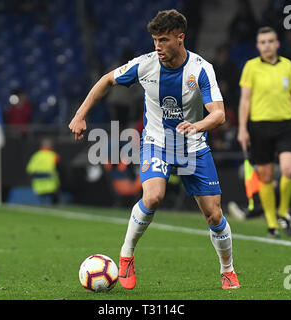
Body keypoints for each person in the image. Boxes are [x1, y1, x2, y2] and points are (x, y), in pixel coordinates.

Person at [69, 9, 240, 290]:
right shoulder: (145, 64)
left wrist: (197, 126)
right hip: (156, 143)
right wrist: (80, 115)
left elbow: (219, 114)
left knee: (214, 215)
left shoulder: (200, 69)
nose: (157, 46)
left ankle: (227, 270)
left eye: (163, 40)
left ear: (180, 37)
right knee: (154, 196)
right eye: (154, 40)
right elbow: (107, 80)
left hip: (193, 146)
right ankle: (126, 255)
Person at [237, 26, 291, 238]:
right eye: (263, 42)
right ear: (258, 46)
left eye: (270, 41)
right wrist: (242, 129)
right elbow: (245, 100)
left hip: (285, 125)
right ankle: (271, 223)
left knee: (290, 170)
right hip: (260, 127)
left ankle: (282, 211)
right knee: (266, 177)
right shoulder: (251, 67)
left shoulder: (287, 65)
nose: (267, 45)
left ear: (277, 44)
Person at [26, 138, 60, 205]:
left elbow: (29, 169)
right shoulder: (54, 155)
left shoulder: (36, 155)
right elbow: (59, 167)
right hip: (51, 184)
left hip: (39, 184)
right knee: (52, 201)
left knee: (42, 202)